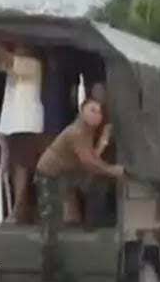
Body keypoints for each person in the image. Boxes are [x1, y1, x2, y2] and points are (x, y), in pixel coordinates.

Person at [34, 98, 124, 230]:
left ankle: (92, 223)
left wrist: (103, 141)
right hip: (49, 177)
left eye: (99, 112)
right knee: (54, 224)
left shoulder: (88, 131)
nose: (97, 115)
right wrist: (114, 171)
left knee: (98, 182)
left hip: (68, 174)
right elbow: (89, 163)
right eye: (92, 111)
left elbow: (91, 158)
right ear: (82, 112)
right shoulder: (76, 132)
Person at [0, 36, 46, 223]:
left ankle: (19, 211)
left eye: (19, 45)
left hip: (27, 123)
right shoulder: (14, 64)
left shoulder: (32, 64)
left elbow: (4, 56)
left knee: (22, 168)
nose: (15, 48)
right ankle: (20, 210)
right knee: (16, 167)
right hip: (14, 123)